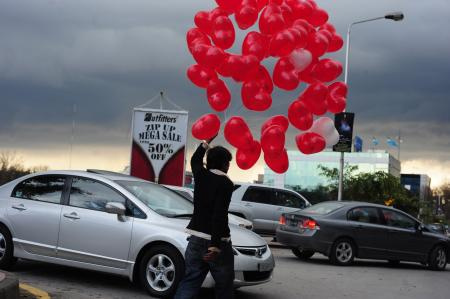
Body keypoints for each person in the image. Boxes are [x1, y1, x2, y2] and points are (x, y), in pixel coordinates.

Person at [174, 137, 234, 299]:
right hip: (217, 241)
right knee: (224, 286)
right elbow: (219, 215)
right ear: (223, 164)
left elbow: (195, 159)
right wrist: (214, 246)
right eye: (228, 162)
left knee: (190, 281)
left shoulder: (201, 175)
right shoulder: (226, 184)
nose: (229, 166)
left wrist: (205, 143)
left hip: (196, 238)